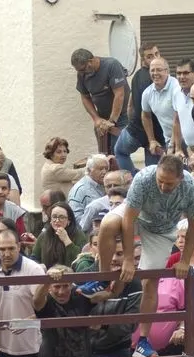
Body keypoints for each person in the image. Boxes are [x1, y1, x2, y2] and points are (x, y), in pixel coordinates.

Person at [83, 155, 194, 357]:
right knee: (108, 224)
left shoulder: (192, 189)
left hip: (162, 230)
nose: (164, 186)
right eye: (161, 181)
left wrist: (184, 260)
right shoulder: (144, 178)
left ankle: (143, 341)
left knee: (150, 281)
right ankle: (103, 277)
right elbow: (128, 220)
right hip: (138, 216)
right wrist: (129, 259)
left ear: (180, 179)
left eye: (169, 183)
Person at [112, 43, 164, 176]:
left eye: (157, 54)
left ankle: (132, 181)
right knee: (152, 172)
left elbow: (130, 105)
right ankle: (134, 182)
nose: (154, 58)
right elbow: (136, 107)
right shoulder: (158, 79)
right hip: (147, 132)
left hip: (145, 132)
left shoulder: (137, 75)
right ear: (143, 59)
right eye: (149, 56)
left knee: (151, 171)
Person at [70, 48, 130, 155]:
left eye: (82, 70)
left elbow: (119, 95)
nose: (81, 73)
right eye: (78, 71)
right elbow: (85, 97)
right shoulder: (81, 74)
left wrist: (112, 121)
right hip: (102, 119)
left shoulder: (111, 65)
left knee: (119, 154)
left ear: (90, 62)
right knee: (103, 155)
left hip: (120, 118)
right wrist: (96, 119)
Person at [31, 202, 87, 268]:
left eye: (62, 217)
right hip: (48, 275)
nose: (57, 221)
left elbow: (82, 261)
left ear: (69, 220)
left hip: (71, 276)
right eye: (54, 217)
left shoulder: (79, 235)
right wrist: (40, 266)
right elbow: (34, 258)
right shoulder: (44, 236)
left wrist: (67, 241)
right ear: (50, 220)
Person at [68, 155, 110, 222]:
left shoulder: (106, 185)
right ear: (89, 170)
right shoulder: (80, 190)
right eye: (100, 169)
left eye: (106, 169)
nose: (104, 172)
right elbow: (76, 220)